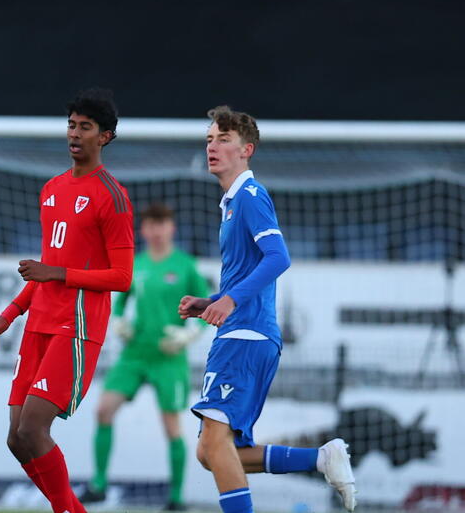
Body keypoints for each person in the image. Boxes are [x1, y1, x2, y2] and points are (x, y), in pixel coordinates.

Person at [178, 106, 356, 513]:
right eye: (209, 139)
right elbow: (251, 269)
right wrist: (210, 302)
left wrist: (229, 300)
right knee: (212, 454)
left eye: (224, 139)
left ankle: (320, 459)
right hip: (243, 333)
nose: (212, 146)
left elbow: (278, 258)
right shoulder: (231, 202)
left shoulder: (251, 196)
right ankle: (320, 459)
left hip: (245, 335)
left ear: (247, 149)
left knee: (213, 445)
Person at [0, 88, 133, 513]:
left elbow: (121, 277)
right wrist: (8, 315)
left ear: (106, 137)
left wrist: (57, 274)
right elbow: (50, 264)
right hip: (38, 323)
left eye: (86, 127)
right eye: (71, 125)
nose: (75, 134)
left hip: (77, 328)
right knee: (16, 437)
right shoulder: (51, 189)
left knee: (33, 428)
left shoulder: (112, 197)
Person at [80, 203, 209, 511]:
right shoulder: (135, 264)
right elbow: (121, 302)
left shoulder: (185, 265)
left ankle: (176, 498)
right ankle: (98, 485)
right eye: (151, 225)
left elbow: (207, 307)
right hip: (135, 353)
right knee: (103, 410)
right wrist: (120, 321)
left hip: (168, 355)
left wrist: (189, 334)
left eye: (161, 224)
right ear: (144, 230)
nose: (156, 231)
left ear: (171, 228)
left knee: (171, 426)